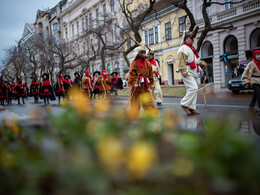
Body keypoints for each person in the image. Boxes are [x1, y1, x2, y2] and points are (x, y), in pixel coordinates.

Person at [177, 26, 207, 115]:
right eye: (191, 38)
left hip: (194, 71)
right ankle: (184, 104)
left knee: (194, 89)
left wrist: (202, 63)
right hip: (187, 71)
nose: (192, 40)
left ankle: (192, 107)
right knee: (193, 88)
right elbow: (181, 60)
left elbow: (195, 60)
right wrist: (183, 70)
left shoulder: (192, 48)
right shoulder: (183, 48)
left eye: (193, 38)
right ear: (186, 39)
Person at [128, 44, 159, 116]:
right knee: (135, 103)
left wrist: (152, 83)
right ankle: (134, 116)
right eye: (142, 53)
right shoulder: (134, 62)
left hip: (145, 86)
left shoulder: (148, 63)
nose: (144, 54)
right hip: (136, 87)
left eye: (144, 52)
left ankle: (151, 114)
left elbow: (150, 74)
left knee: (148, 102)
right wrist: (134, 82)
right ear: (138, 54)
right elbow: (131, 74)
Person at [242, 49, 260, 113]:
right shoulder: (251, 64)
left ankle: (251, 107)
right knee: (259, 94)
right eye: (257, 55)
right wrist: (246, 81)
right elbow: (246, 73)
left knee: (255, 95)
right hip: (254, 81)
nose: (259, 56)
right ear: (254, 56)